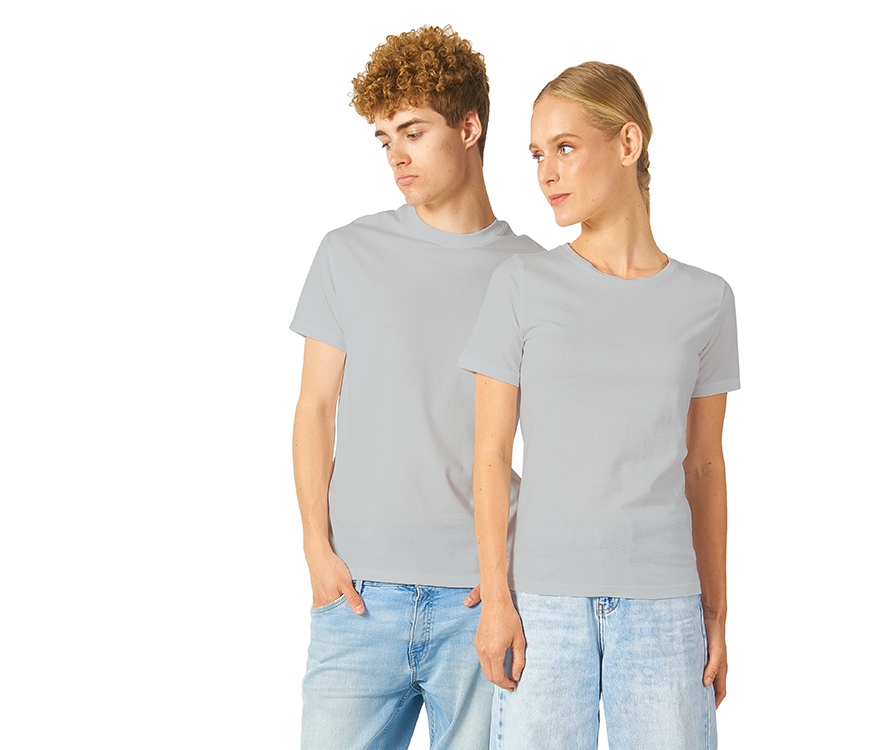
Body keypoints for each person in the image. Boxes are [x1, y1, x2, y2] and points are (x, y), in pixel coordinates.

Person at [458, 61, 739, 749]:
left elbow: (705, 467)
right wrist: (497, 599)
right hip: (543, 606)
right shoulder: (521, 282)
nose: (546, 172)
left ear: (628, 143)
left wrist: (716, 612)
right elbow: (489, 453)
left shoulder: (707, 300)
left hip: (666, 607)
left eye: (564, 147)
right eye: (536, 155)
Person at [290, 26, 543, 750]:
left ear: (470, 127)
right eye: (384, 138)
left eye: (413, 131)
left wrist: (511, 578)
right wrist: (315, 549)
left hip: (483, 601)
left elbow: (557, 442)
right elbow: (314, 409)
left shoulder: (532, 274)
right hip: (358, 598)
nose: (395, 154)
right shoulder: (349, 252)